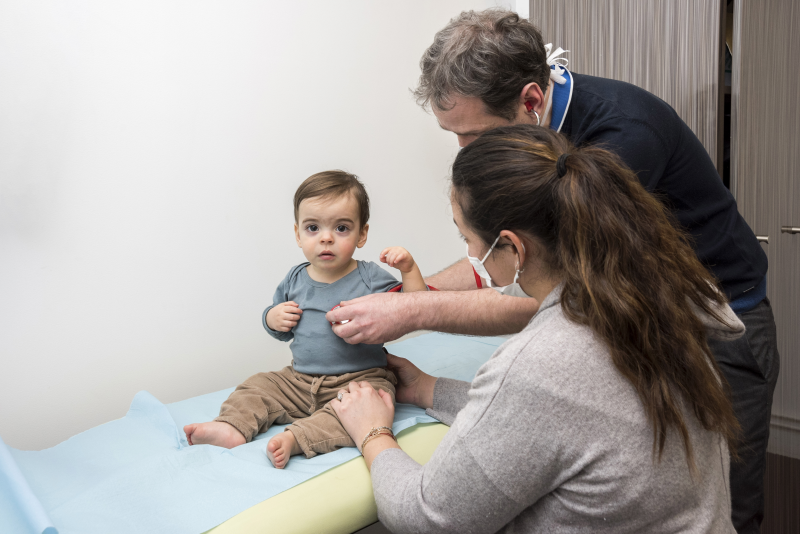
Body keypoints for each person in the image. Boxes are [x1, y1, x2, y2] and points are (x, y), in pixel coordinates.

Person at [327, 10, 779, 532]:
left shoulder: (620, 142)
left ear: (531, 102)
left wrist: (411, 316)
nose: (463, 152)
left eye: (472, 135)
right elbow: (555, 405)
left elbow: (542, 316)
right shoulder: (563, 332)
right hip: (660, 314)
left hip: (718, 325)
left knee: (735, 506)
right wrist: (415, 300)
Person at [183, 170, 428, 468]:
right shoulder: (295, 278)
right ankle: (232, 426)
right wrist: (273, 318)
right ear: (298, 234)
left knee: (364, 409)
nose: (326, 238)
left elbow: (416, 308)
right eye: (313, 227)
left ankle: (297, 438)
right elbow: (279, 328)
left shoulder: (370, 277)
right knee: (258, 385)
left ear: (362, 234)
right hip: (299, 380)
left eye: (341, 228)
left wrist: (409, 270)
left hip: (359, 380)